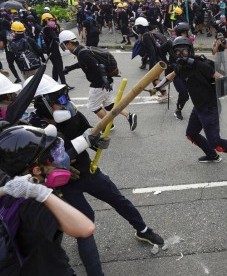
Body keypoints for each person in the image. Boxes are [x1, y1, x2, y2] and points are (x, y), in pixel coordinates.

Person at [26, 75, 165, 276]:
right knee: (86, 223)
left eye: (65, 96)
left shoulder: (72, 116)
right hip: (64, 184)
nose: (66, 103)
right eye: (59, 99)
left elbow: (89, 132)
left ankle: (143, 230)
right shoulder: (34, 130)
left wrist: (97, 140)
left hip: (88, 171)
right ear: (44, 105)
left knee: (118, 199)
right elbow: (49, 162)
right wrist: (82, 143)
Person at [0, 124, 95, 275]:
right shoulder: (35, 205)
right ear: (36, 170)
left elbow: (48, 165)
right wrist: (40, 193)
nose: (61, 158)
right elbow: (85, 228)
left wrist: (84, 142)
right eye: (54, 155)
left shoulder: (8, 181)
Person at [154, 37, 227, 169]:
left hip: (210, 107)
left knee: (216, 142)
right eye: (177, 52)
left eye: (183, 51)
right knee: (192, 133)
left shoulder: (199, 65)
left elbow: (221, 78)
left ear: (189, 50)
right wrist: (157, 87)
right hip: (198, 107)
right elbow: (171, 76)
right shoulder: (181, 67)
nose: (180, 55)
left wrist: (218, 84)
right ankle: (212, 155)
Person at [59, 30, 138, 131]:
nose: (65, 48)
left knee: (93, 106)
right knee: (109, 105)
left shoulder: (82, 53)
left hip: (99, 84)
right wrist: (69, 68)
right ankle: (129, 116)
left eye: (64, 45)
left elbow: (98, 66)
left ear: (69, 43)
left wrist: (104, 80)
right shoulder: (82, 50)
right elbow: (84, 63)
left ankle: (107, 125)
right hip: (106, 82)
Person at [41, 13, 73, 90]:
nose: (52, 21)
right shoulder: (48, 29)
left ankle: (54, 84)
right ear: (46, 20)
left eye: (53, 20)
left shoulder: (44, 29)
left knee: (55, 68)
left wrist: (55, 28)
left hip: (51, 51)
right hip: (54, 51)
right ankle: (64, 85)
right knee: (60, 68)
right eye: (50, 20)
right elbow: (55, 38)